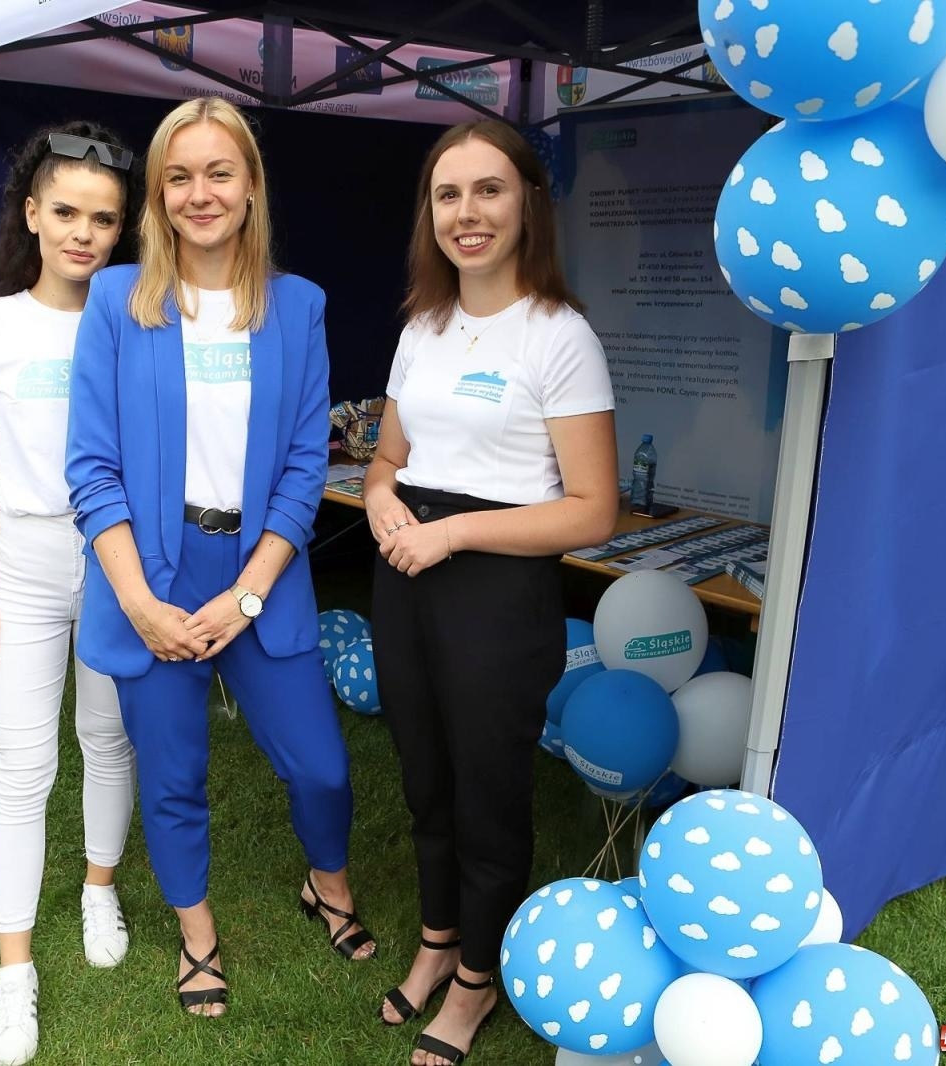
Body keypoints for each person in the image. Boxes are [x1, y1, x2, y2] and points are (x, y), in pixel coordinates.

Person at [66, 96, 376, 1019]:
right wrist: (143, 606)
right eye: (178, 176)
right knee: (172, 773)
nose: (200, 194)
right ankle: (196, 933)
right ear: (158, 195)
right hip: (149, 581)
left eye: (219, 172)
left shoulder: (299, 306)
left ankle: (329, 883)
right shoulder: (119, 301)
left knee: (321, 766)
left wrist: (246, 595)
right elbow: (92, 467)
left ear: (250, 186)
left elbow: (303, 463)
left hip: (258, 577)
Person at [366, 119, 619, 1066]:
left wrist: (456, 532)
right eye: (447, 195)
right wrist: (387, 501)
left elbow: (593, 512)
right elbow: (388, 459)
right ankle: (439, 940)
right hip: (410, 571)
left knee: (487, 789)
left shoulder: (560, 336)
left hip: (494, 587)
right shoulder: (422, 327)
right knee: (424, 770)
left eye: (488, 191)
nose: (466, 214)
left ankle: (479, 977)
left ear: (527, 205)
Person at [0, 121, 141, 1066]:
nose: (84, 232)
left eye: (103, 217)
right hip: (19, 559)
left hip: (116, 561)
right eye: (65, 211)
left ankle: (100, 884)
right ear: (30, 212)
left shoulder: (141, 316)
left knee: (108, 736)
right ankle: (13, 968)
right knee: (21, 770)